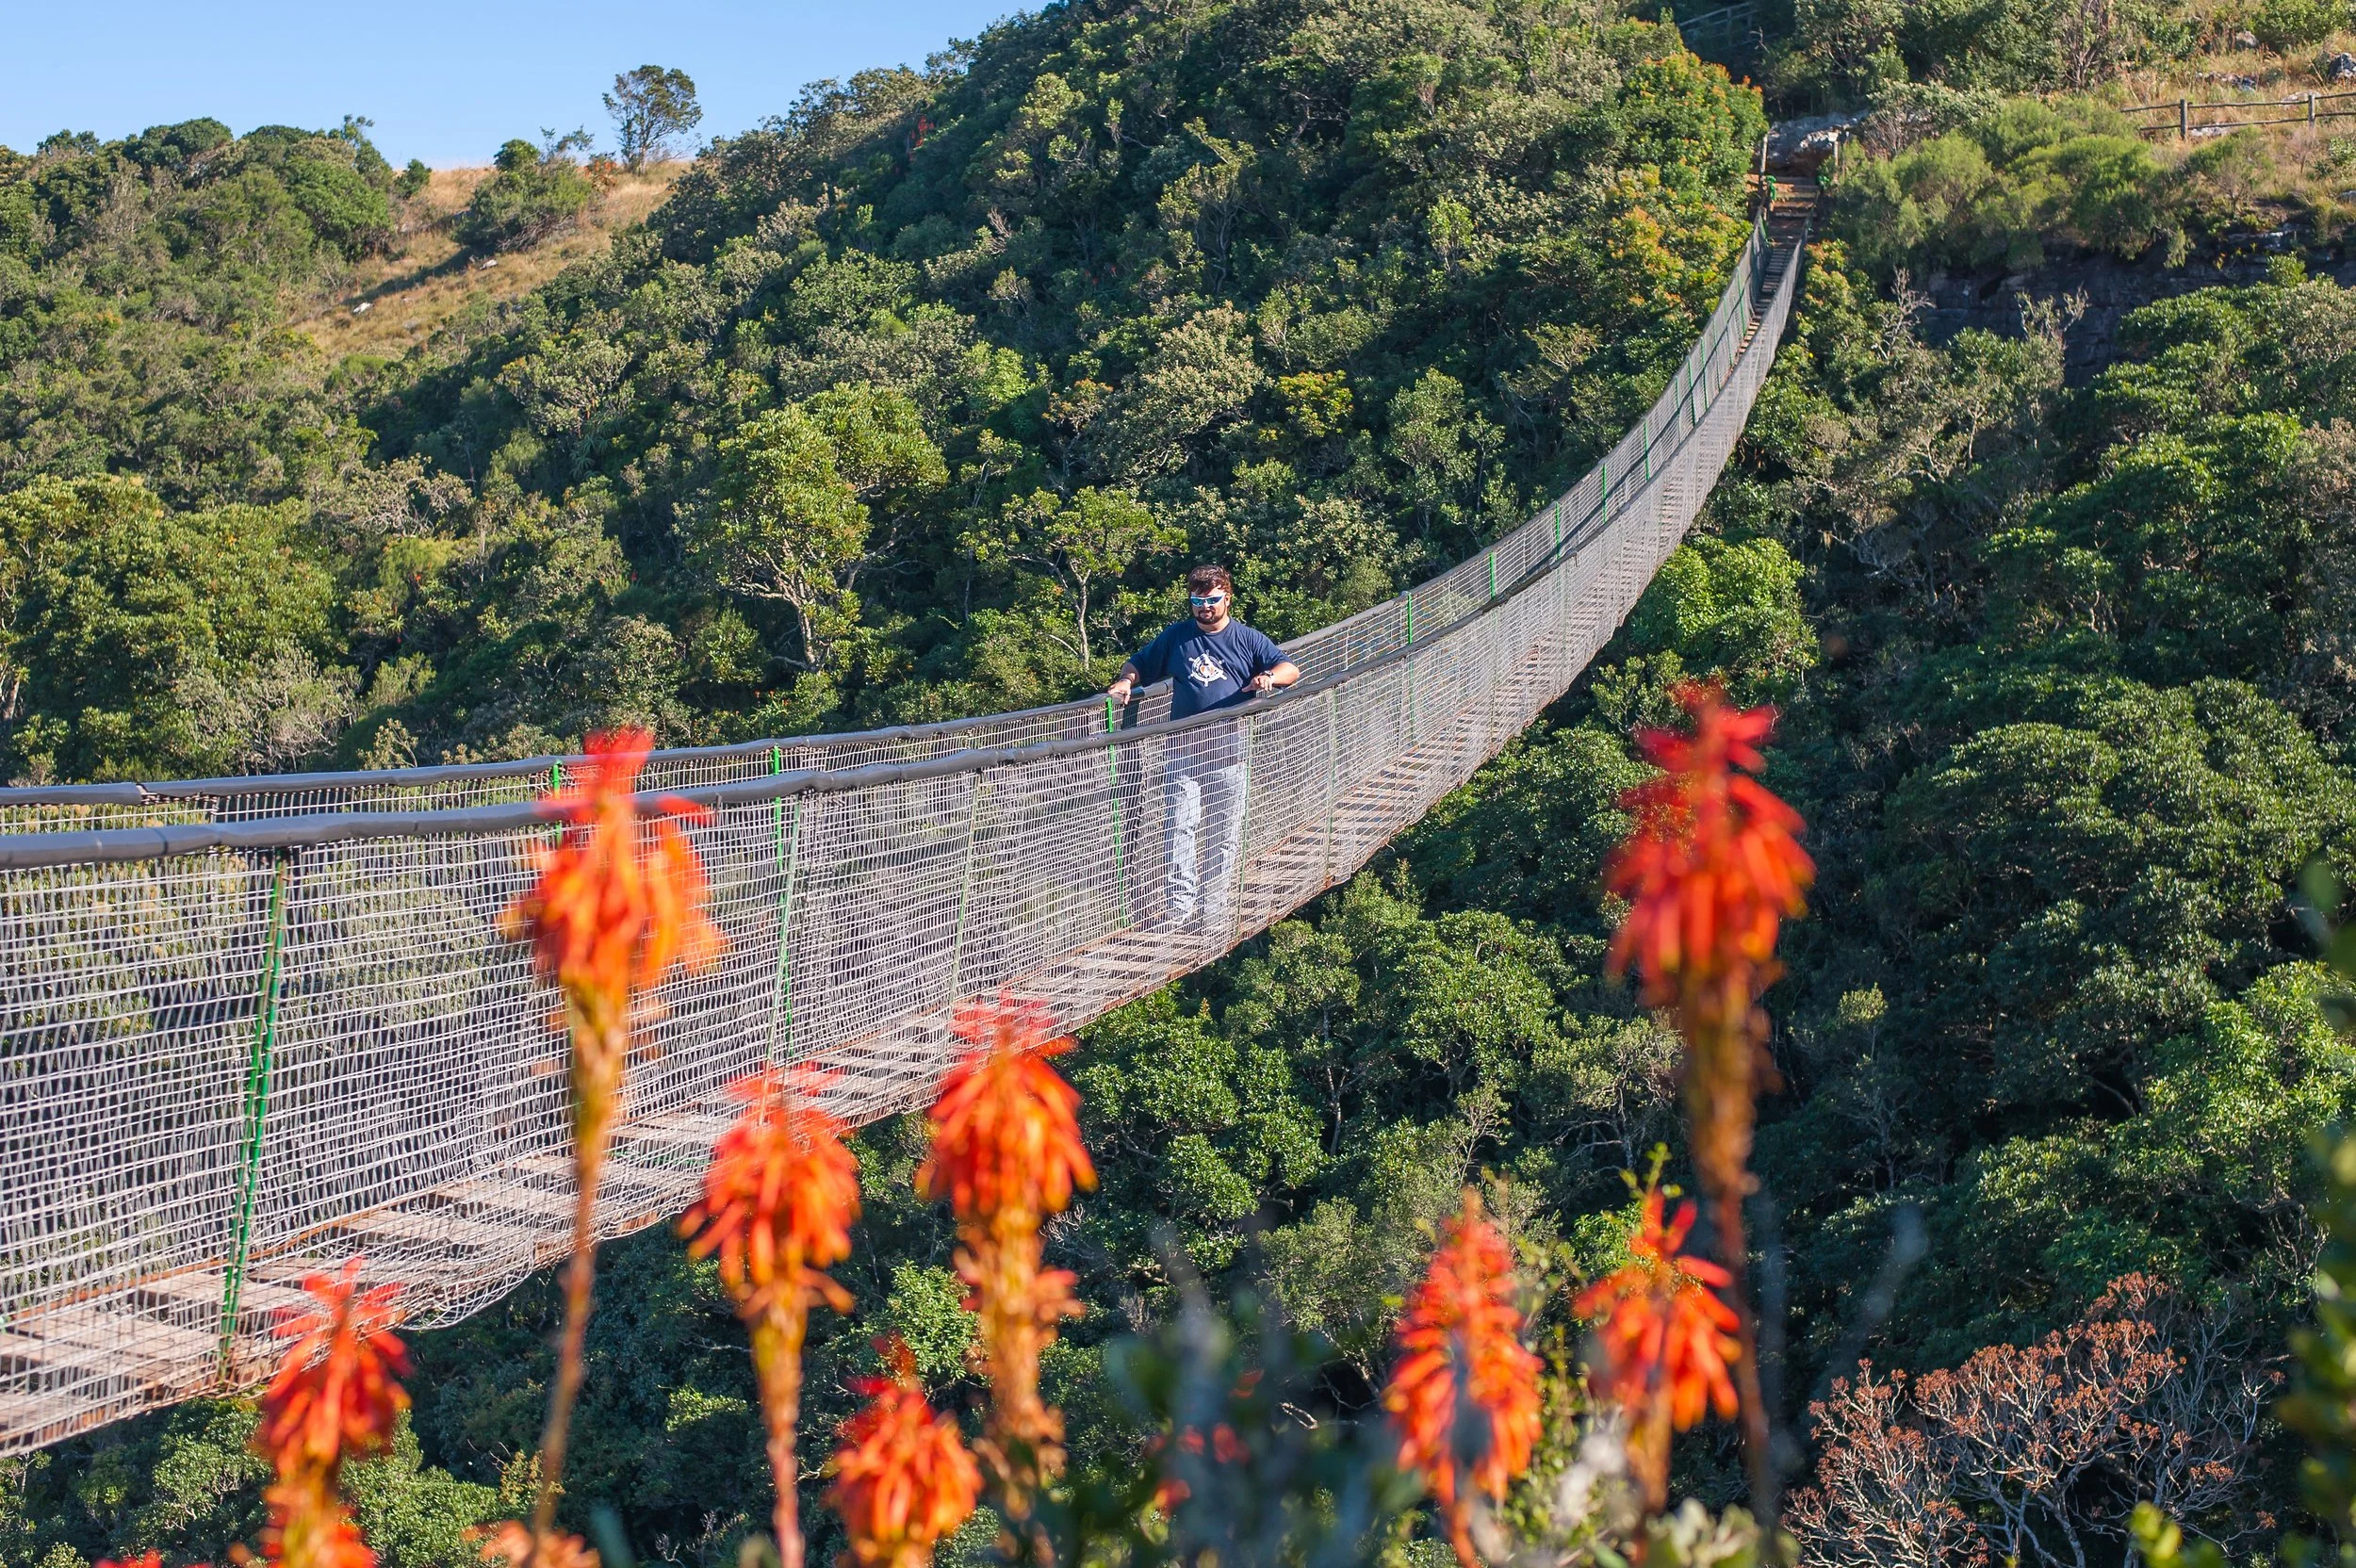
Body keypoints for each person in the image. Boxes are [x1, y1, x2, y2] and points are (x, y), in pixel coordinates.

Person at [1106, 565, 1300, 932]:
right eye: (1197, 601)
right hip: (1183, 751)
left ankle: (1212, 910)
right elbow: (1140, 663)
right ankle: (1180, 909)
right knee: (1178, 827)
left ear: (1227, 597)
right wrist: (1124, 682)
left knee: (1222, 834)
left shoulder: (1247, 639)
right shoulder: (1177, 637)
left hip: (1230, 752)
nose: (1204, 607)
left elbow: (1291, 669)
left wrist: (1269, 677)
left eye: (1211, 600)